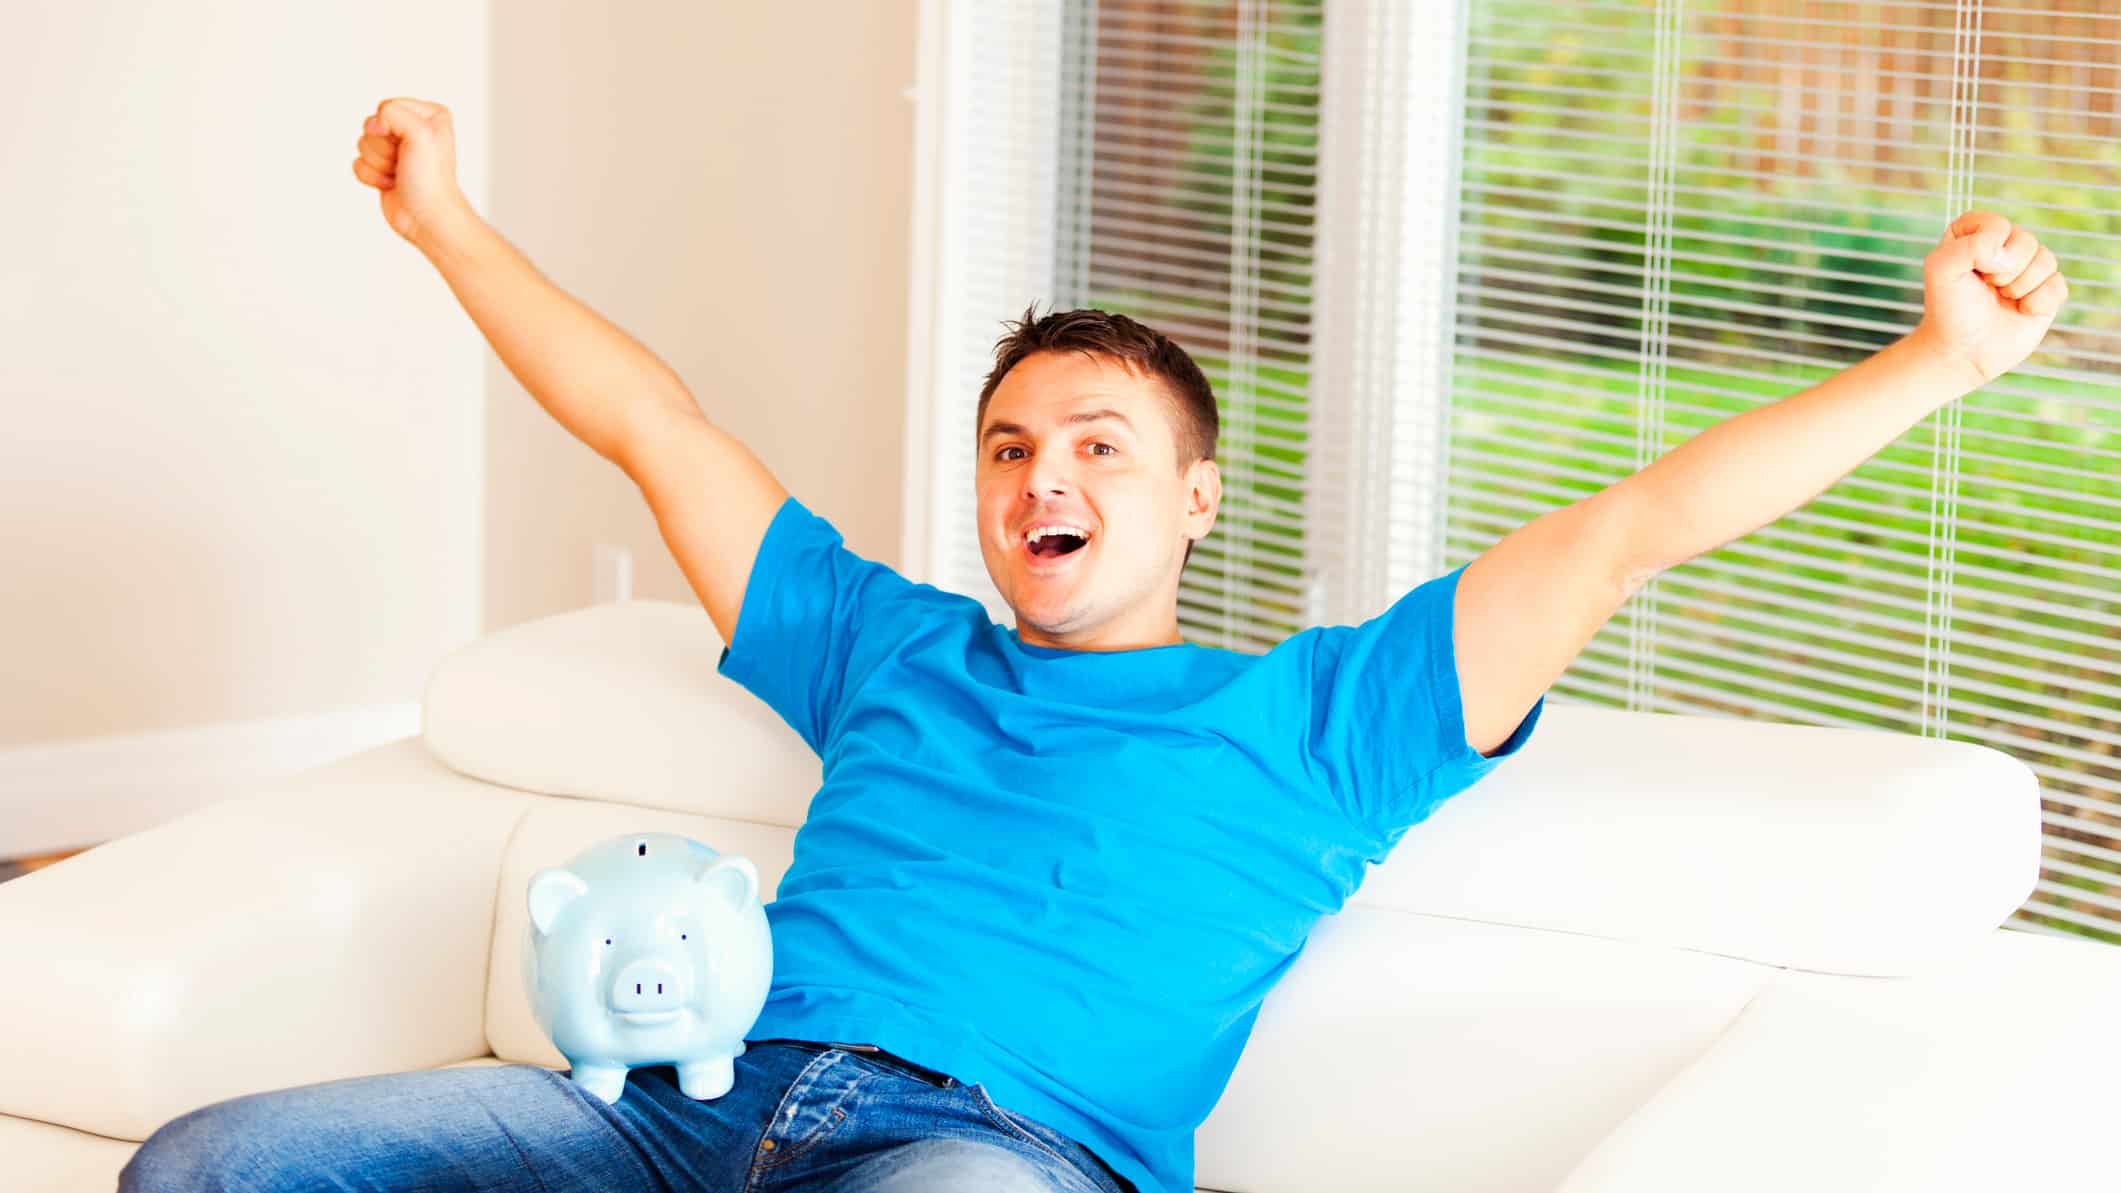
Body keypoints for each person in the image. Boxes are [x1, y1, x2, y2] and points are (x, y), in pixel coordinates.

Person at [121, 96, 2067, 1193]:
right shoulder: (880, 645)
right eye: (1004, 448)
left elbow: (1633, 525)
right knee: (203, 1169)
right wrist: (446, 222)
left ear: (1192, 501)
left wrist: (1931, 361)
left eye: (1096, 448)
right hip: (676, 1108)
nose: (1038, 477)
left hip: (982, 1158)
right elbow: (655, 429)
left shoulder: (1324, 718)